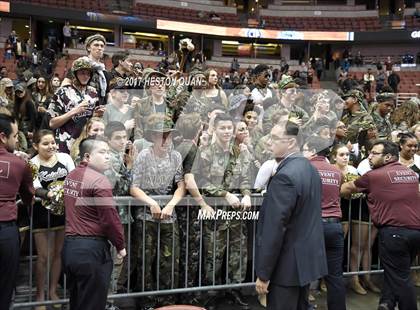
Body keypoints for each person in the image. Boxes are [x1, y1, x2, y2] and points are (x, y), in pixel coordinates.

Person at [255, 121, 328, 310]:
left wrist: (264, 273)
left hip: (286, 266)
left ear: (290, 142)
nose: (268, 143)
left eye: (273, 138)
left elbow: (274, 228)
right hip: (303, 263)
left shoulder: (285, 176)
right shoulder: (310, 169)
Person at [341, 140, 420, 310]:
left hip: (394, 233)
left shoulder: (373, 176)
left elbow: (346, 189)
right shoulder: (410, 174)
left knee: (401, 278)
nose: (370, 156)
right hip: (414, 232)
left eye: (375, 153)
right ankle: (387, 303)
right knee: (397, 272)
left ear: (388, 157)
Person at [62, 136, 126, 310]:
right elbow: (110, 219)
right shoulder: (99, 180)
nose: (108, 156)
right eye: (102, 152)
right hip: (91, 250)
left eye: (108, 152)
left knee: (77, 302)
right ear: (87, 157)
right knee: (92, 304)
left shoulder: (71, 176)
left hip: (70, 249)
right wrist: (120, 245)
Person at [30, 130, 75, 306]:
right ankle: (39, 294)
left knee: (58, 254)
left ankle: (52, 290)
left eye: (53, 143)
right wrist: (50, 193)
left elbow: (73, 178)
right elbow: (34, 187)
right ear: (35, 146)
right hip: (42, 214)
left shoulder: (65, 158)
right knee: (43, 256)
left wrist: (66, 192)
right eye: (45, 143)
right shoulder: (32, 164)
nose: (51, 146)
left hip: (62, 214)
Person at [304, 137, 346, 310]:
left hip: (312, 226)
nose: (303, 152)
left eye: (305, 149)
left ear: (313, 150)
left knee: (304, 270)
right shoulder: (337, 172)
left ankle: (303, 306)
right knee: (335, 275)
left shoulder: (306, 169)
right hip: (334, 226)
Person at [0, 114, 34, 308]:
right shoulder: (19, 163)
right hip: (6, 230)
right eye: (14, 136)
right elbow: (29, 197)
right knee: (5, 287)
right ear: (3, 137)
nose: (16, 140)